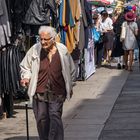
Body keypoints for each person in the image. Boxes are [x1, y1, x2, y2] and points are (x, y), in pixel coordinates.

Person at [20, 26, 76, 140]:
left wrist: (70, 85)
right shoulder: (35, 49)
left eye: (46, 39)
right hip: (39, 91)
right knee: (41, 118)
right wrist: (26, 77)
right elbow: (25, 66)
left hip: (58, 91)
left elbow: (71, 70)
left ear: (53, 38)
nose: (43, 42)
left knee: (55, 116)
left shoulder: (63, 50)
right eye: (41, 39)